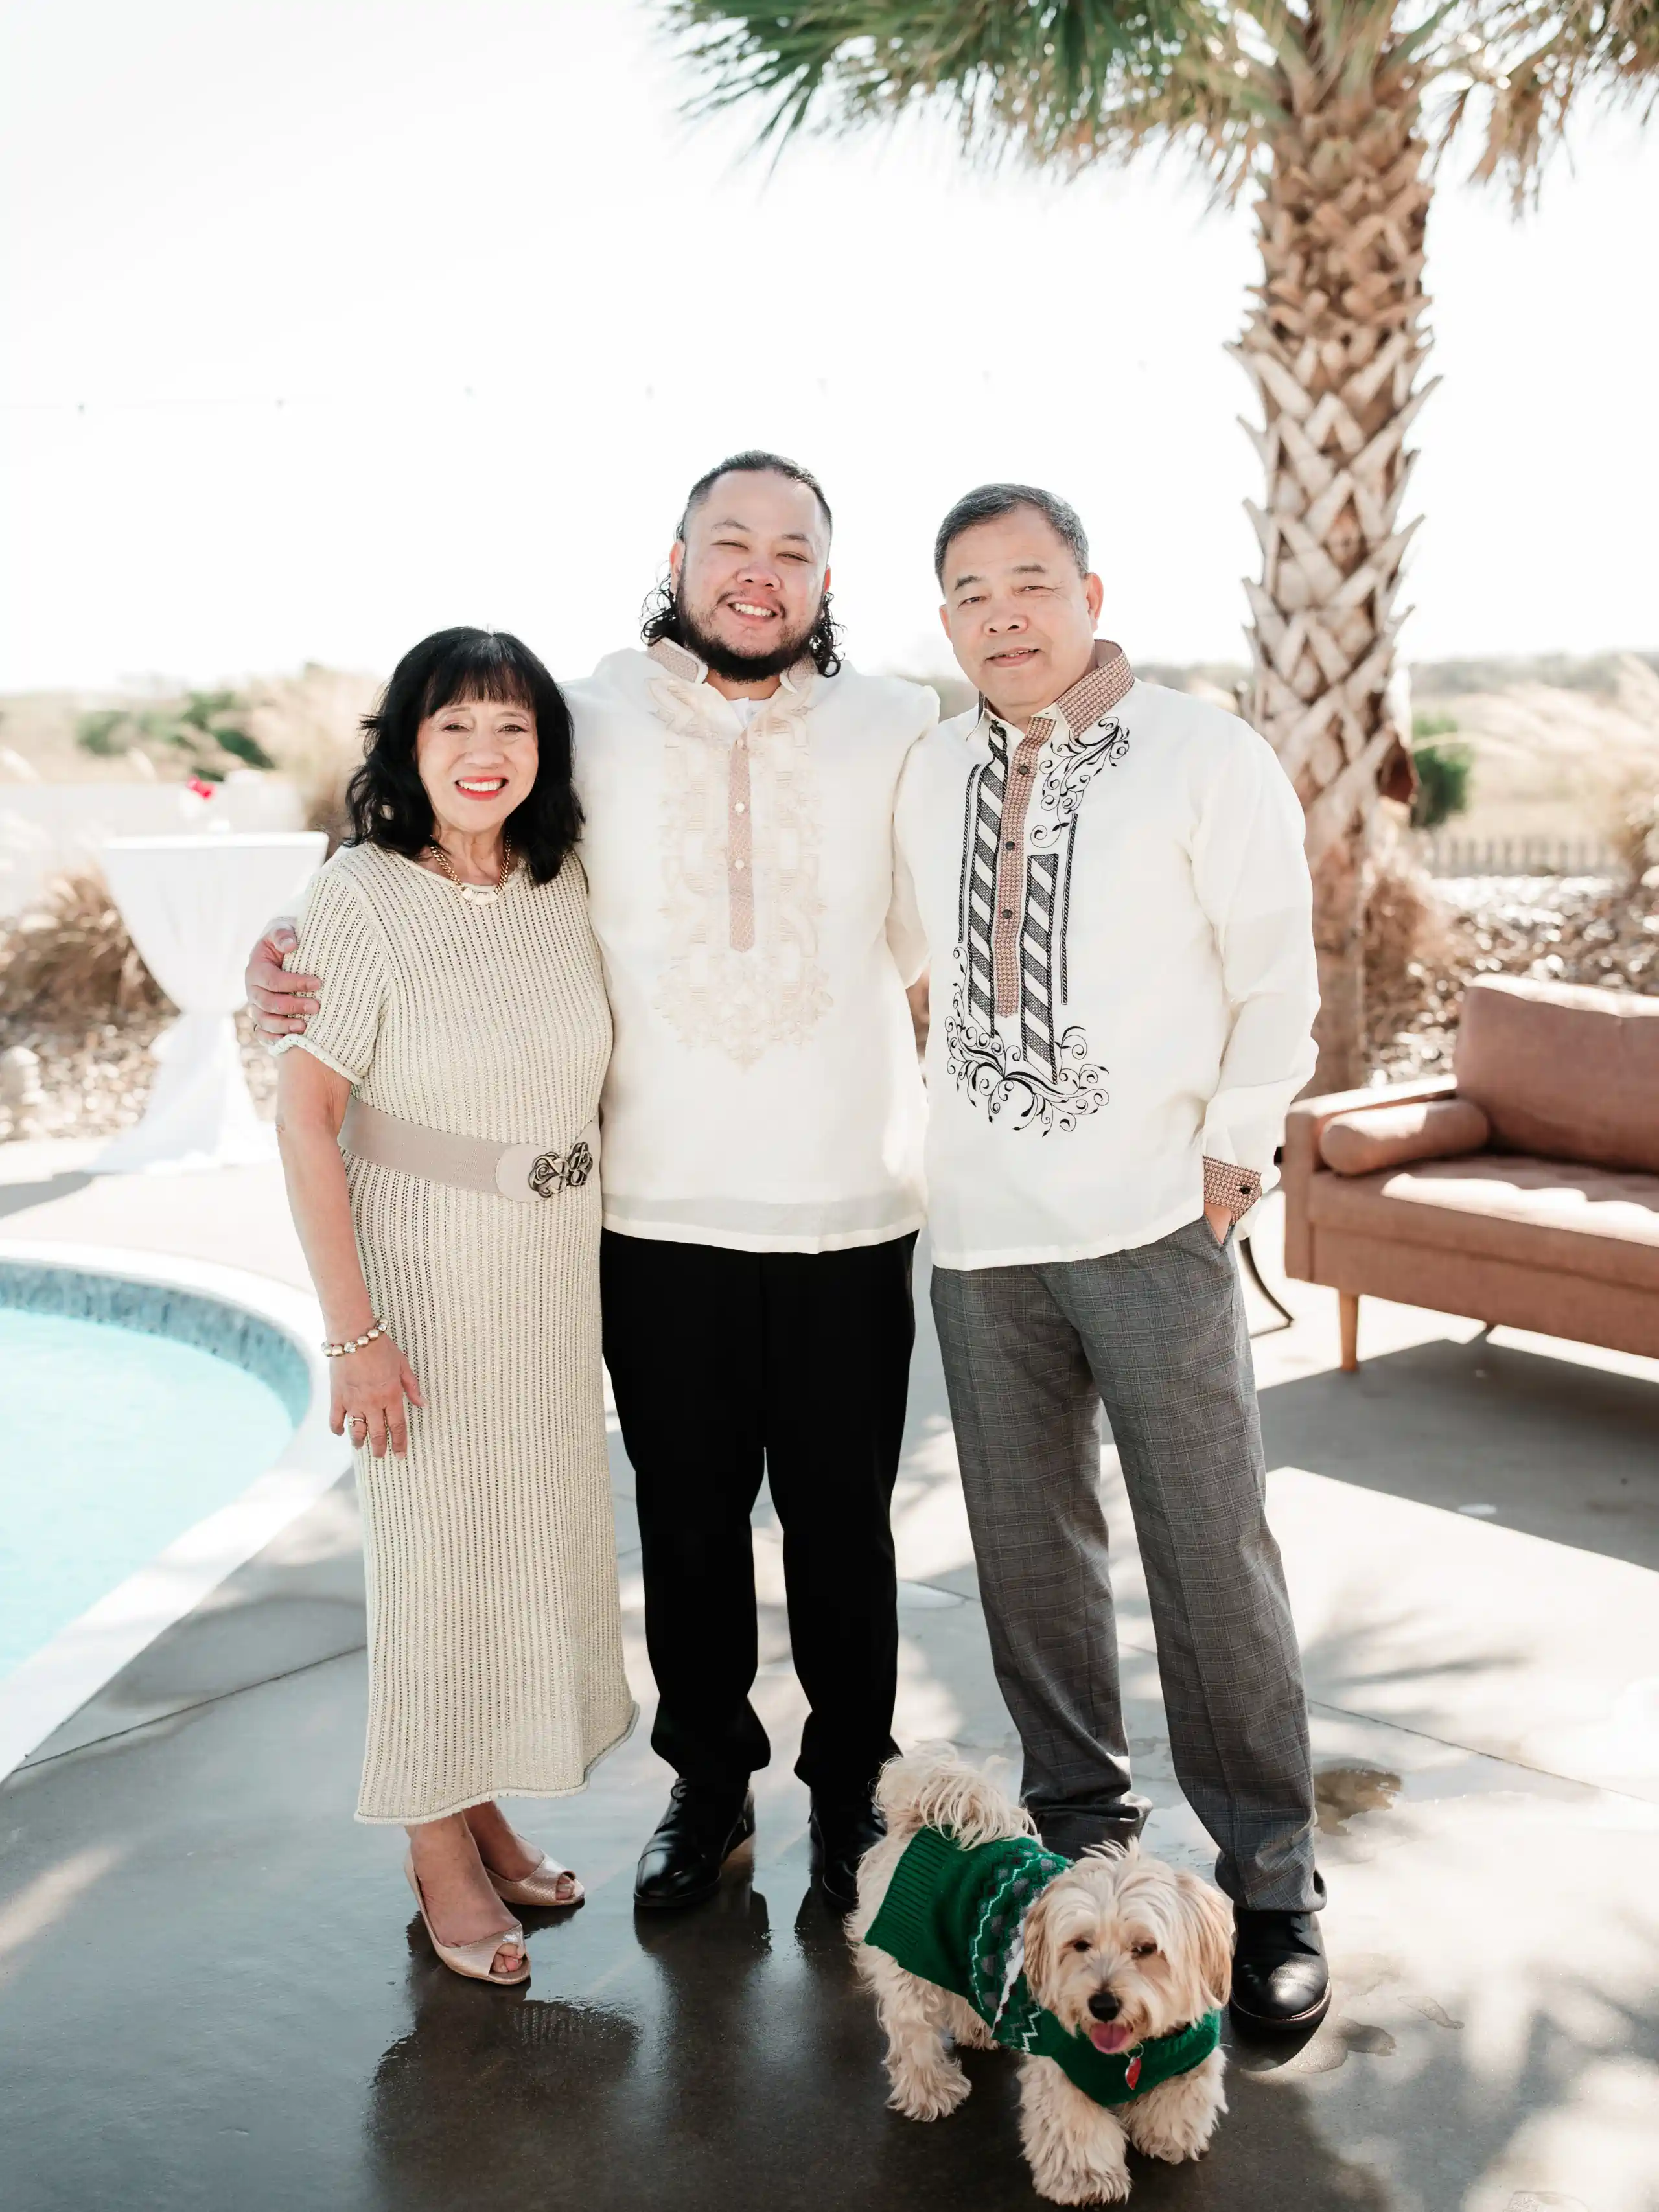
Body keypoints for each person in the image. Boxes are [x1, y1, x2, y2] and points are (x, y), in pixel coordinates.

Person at [251, 455, 937, 1912]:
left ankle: (851, 1800)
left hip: (851, 1211)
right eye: (729, 539)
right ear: (676, 555)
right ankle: (707, 1791)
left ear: (828, 576)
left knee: (840, 1531)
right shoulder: (591, 715)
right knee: (685, 1525)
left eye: (794, 548)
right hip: (650, 1218)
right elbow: (455, 841)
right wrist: (290, 938)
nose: (760, 567)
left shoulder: (901, 725)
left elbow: (942, 954)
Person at [892, 483, 1330, 2033]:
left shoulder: (1204, 754)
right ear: (940, 619)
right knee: (1030, 1570)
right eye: (966, 591)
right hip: (983, 1235)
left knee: (1208, 1555)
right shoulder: (928, 768)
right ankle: (1082, 1865)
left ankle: (1268, 1882)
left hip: (1154, 1221)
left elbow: (1275, 972)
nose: (999, 612)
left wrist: (1232, 1151)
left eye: (1027, 581)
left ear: (1087, 590)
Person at [272, 627, 633, 1987]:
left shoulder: (567, 882)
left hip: (549, 1272)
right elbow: (307, 1122)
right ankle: (435, 1845)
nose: (485, 756)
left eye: (513, 730)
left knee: (514, 1549)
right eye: (452, 729)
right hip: (420, 1268)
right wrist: (355, 1334)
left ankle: (482, 1805)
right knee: (433, 1562)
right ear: (404, 751)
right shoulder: (359, 895)